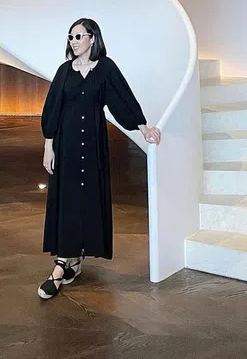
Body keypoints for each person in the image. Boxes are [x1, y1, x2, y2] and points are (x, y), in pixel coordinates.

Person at [38, 17, 161, 299]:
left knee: (89, 198)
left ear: (92, 38)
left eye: (79, 36)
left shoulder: (105, 68)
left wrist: (143, 127)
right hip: (67, 144)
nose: (73, 41)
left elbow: (122, 98)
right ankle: (61, 264)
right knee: (67, 199)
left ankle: (75, 259)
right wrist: (48, 145)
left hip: (93, 143)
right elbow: (52, 108)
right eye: (70, 37)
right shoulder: (64, 71)